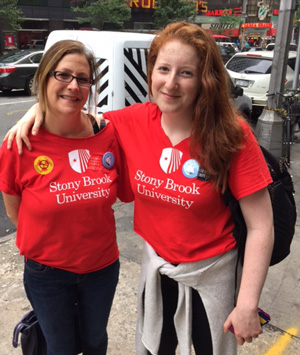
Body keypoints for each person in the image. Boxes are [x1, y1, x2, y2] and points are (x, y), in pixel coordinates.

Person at [4, 22, 274, 355]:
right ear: (151, 73)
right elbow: (74, 113)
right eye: (163, 69)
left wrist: (247, 303)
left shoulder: (231, 134)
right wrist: (36, 109)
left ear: (205, 78)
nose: (171, 83)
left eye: (186, 73)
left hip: (212, 275)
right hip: (157, 269)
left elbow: (261, 225)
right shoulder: (129, 122)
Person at [0, 40, 133, 355]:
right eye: (63, 75)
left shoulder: (107, 132)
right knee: (59, 347)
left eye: (83, 79)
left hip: (102, 267)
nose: (74, 86)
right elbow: (14, 213)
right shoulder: (19, 144)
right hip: (47, 272)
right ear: (44, 77)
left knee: (95, 341)